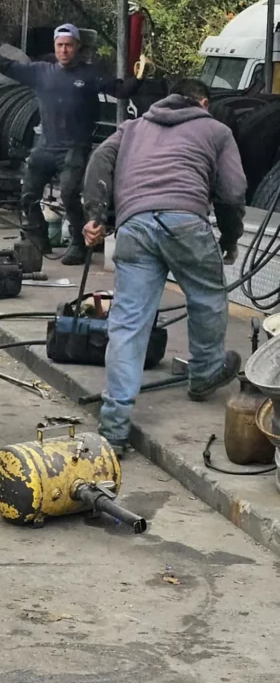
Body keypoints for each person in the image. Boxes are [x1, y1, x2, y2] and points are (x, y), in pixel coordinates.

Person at [81, 78, 246, 455]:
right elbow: (233, 192)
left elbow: (99, 159)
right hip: (186, 221)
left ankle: (114, 428)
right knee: (207, 298)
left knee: (128, 321)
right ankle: (204, 374)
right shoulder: (216, 130)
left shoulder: (132, 127)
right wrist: (230, 239)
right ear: (203, 103)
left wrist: (95, 215)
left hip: (134, 225)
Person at [0, 25, 139, 264]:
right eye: (60, 45)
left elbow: (121, 90)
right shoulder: (41, 71)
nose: (64, 50)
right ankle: (38, 238)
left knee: (69, 194)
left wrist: (140, 76)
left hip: (74, 146)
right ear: (54, 47)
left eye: (69, 45)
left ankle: (78, 243)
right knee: (28, 194)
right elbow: (7, 66)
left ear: (77, 47)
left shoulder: (90, 74)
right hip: (45, 145)